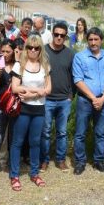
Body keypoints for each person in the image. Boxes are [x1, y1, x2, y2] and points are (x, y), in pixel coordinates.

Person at [9, 34, 51, 191]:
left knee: (35, 142)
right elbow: (15, 88)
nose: (33, 50)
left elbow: (48, 89)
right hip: (23, 109)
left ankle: (34, 173)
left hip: (38, 109)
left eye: (36, 47)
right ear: (26, 48)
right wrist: (37, 91)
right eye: (30, 47)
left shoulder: (45, 66)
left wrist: (32, 94)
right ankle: (14, 175)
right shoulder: (19, 65)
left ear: (41, 49)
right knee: (17, 142)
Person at [72, 27, 104, 175]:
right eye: (90, 39)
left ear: (101, 40)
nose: (93, 42)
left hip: (103, 100)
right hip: (85, 100)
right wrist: (93, 98)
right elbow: (78, 80)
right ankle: (80, 162)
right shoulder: (80, 57)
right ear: (87, 41)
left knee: (100, 133)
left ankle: (98, 161)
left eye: (96, 39)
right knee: (80, 133)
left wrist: (102, 99)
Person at [41, 22, 75, 172]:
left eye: (62, 35)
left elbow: (75, 76)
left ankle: (61, 160)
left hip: (64, 100)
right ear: (52, 34)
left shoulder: (70, 54)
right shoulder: (43, 52)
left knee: (62, 132)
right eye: (56, 34)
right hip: (47, 99)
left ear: (65, 36)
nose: (59, 37)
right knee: (46, 131)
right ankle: (44, 160)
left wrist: (70, 95)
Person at [0, 40, 15, 176]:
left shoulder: (18, 64)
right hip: (1, 104)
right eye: (3, 51)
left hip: (15, 105)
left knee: (13, 136)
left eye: (8, 52)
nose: (5, 54)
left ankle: (11, 164)